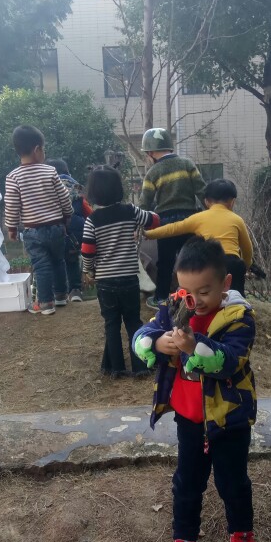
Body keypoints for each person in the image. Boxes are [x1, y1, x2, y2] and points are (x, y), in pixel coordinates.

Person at [132, 237, 257, 542]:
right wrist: (157, 342)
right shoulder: (175, 306)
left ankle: (242, 533)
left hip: (229, 420)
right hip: (189, 420)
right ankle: (184, 541)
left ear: (225, 283)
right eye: (186, 291)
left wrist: (193, 346)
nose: (194, 301)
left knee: (233, 483)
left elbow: (229, 361)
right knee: (186, 484)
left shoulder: (239, 318)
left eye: (204, 291)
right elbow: (143, 333)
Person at [81, 166, 159, 378]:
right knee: (133, 322)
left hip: (106, 281)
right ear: (119, 188)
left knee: (111, 325)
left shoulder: (92, 220)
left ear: (93, 192)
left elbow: (87, 251)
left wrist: (88, 270)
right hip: (129, 279)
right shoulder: (130, 211)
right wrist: (151, 215)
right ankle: (140, 366)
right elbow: (154, 220)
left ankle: (116, 368)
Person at [3, 126, 73, 316]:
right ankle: (61, 295)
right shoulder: (50, 171)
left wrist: (11, 228)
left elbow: (12, 205)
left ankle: (45, 303)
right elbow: (64, 198)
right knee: (58, 261)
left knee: (41, 266)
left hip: (33, 231)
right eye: (44, 149)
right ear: (37, 149)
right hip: (56, 227)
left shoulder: (13, 177)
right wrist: (67, 216)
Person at [143, 178, 254, 293]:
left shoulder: (198, 218)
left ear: (206, 201)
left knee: (209, 295)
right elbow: (247, 248)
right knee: (236, 297)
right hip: (233, 264)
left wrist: (148, 234)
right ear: (232, 201)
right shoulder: (237, 219)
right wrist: (246, 265)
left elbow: (173, 228)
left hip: (208, 263)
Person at [138, 128, 205, 303]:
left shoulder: (152, 172)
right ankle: (197, 295)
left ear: (151, 152)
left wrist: (139, 223)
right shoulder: (187, 164)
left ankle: (161, 298)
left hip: (165, 223)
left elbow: (144, 202)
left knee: (165, 263)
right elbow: (202, 191)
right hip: (190, 220)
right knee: (192, 260)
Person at [48, 157, 91, 303]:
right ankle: (75, 291)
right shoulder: (75, 185)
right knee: (72, 260)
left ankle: (59, 292)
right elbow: (84, 209)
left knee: (56, 260)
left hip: (55, 227)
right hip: (76, 228)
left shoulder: (47, 184)